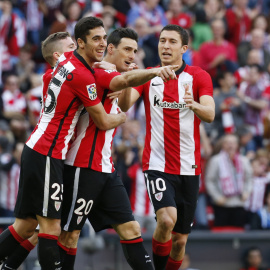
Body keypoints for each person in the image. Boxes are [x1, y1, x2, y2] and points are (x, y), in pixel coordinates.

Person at [0, 17, 128, 269]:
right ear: (61, 54)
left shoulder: (53, 72)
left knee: (26, 225)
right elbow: (102, 120)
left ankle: (8, 266)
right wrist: (121, 116)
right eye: (72, 46)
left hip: (37, 148)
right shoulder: (80, 74)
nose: (77, 48)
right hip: (48, 152)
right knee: (51, 227)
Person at [59, 26, 177, 269]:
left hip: (105, 168)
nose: (132, 56)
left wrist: (126, 83)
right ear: (110, 49)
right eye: (126, 49)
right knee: (69, 235)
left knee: (131, 229)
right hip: (82, 166)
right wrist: (154, 72)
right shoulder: (98, 72)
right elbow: (120, 85)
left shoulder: (118, 75)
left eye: (134, 51)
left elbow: (123, 99)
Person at [118, 24, 215, 270]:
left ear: (184, 48)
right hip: (157, 163)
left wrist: (193, 104)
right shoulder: (149, 76)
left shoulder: (199, 76)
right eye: (162, 41)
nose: (165, 46)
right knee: (166, 219)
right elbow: (126, 104)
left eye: (172, 42)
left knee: (180, 242)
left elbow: (210, 113)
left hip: (189, 166)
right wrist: (130, 78)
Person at [205, 134, 253, 228]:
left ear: (237, 145)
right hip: (222, 204)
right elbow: (209, 181)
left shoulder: (244, 160)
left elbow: (249, 179)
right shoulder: (215, 160)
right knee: (221, 235)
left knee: (238, 234)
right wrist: (217, 197)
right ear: (223, 145)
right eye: (227, 143)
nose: (230, 145)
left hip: (239, 203)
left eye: (233, 143)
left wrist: (247, 192)